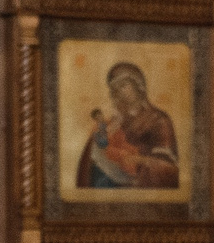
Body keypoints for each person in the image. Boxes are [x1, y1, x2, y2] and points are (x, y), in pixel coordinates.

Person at [77, 61, 180, 190]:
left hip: (144, 185)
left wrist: (139, 160)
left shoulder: (159, 119)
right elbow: (95, 153)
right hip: (112, 184)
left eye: (124, 85)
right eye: (116, 89)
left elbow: (170, 166)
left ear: (138, 85)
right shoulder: (115, 121)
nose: (121, 91)